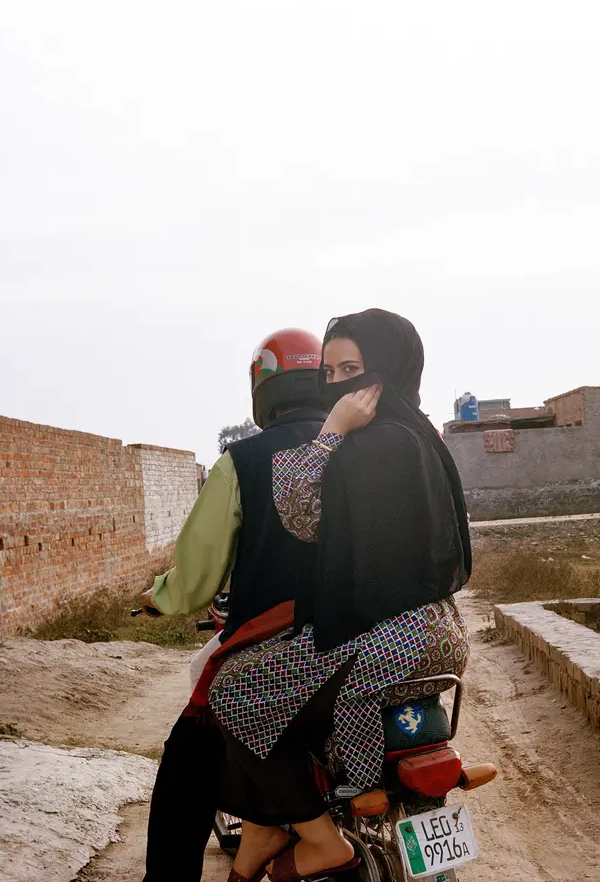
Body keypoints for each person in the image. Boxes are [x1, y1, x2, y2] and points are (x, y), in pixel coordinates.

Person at [203, 309, 472, 882]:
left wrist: (331, 431)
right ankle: (284, 825)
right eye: (329, 373)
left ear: (387, 368)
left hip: (385, 641)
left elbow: (297, 510)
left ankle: (316, 838)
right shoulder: (422, 437)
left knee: (235, 691)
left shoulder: (371, 448)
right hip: (439, 637)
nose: (340, 385)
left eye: (352, 368)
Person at [141, 327, 327, 882]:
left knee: (185, 766)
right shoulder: (365, 450)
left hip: (272, 649)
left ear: (263, 388)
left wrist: (161, 596)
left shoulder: (241, 462)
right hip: (370, 642)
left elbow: (197, 579)